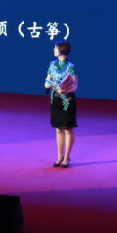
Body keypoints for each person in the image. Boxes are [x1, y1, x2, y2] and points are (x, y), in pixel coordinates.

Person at [44, 40, 78, 168]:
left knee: (68, 128)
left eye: (56, 48)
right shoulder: (52, 64)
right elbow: (47, 82)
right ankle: (59, 156)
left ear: (62, 50)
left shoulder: (71, 66)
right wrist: (49, 84)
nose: (54, 50)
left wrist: (66, 90)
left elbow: (75, 85)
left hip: (67, 100)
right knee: (58, 129)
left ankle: (67, 157)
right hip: (55, 99)